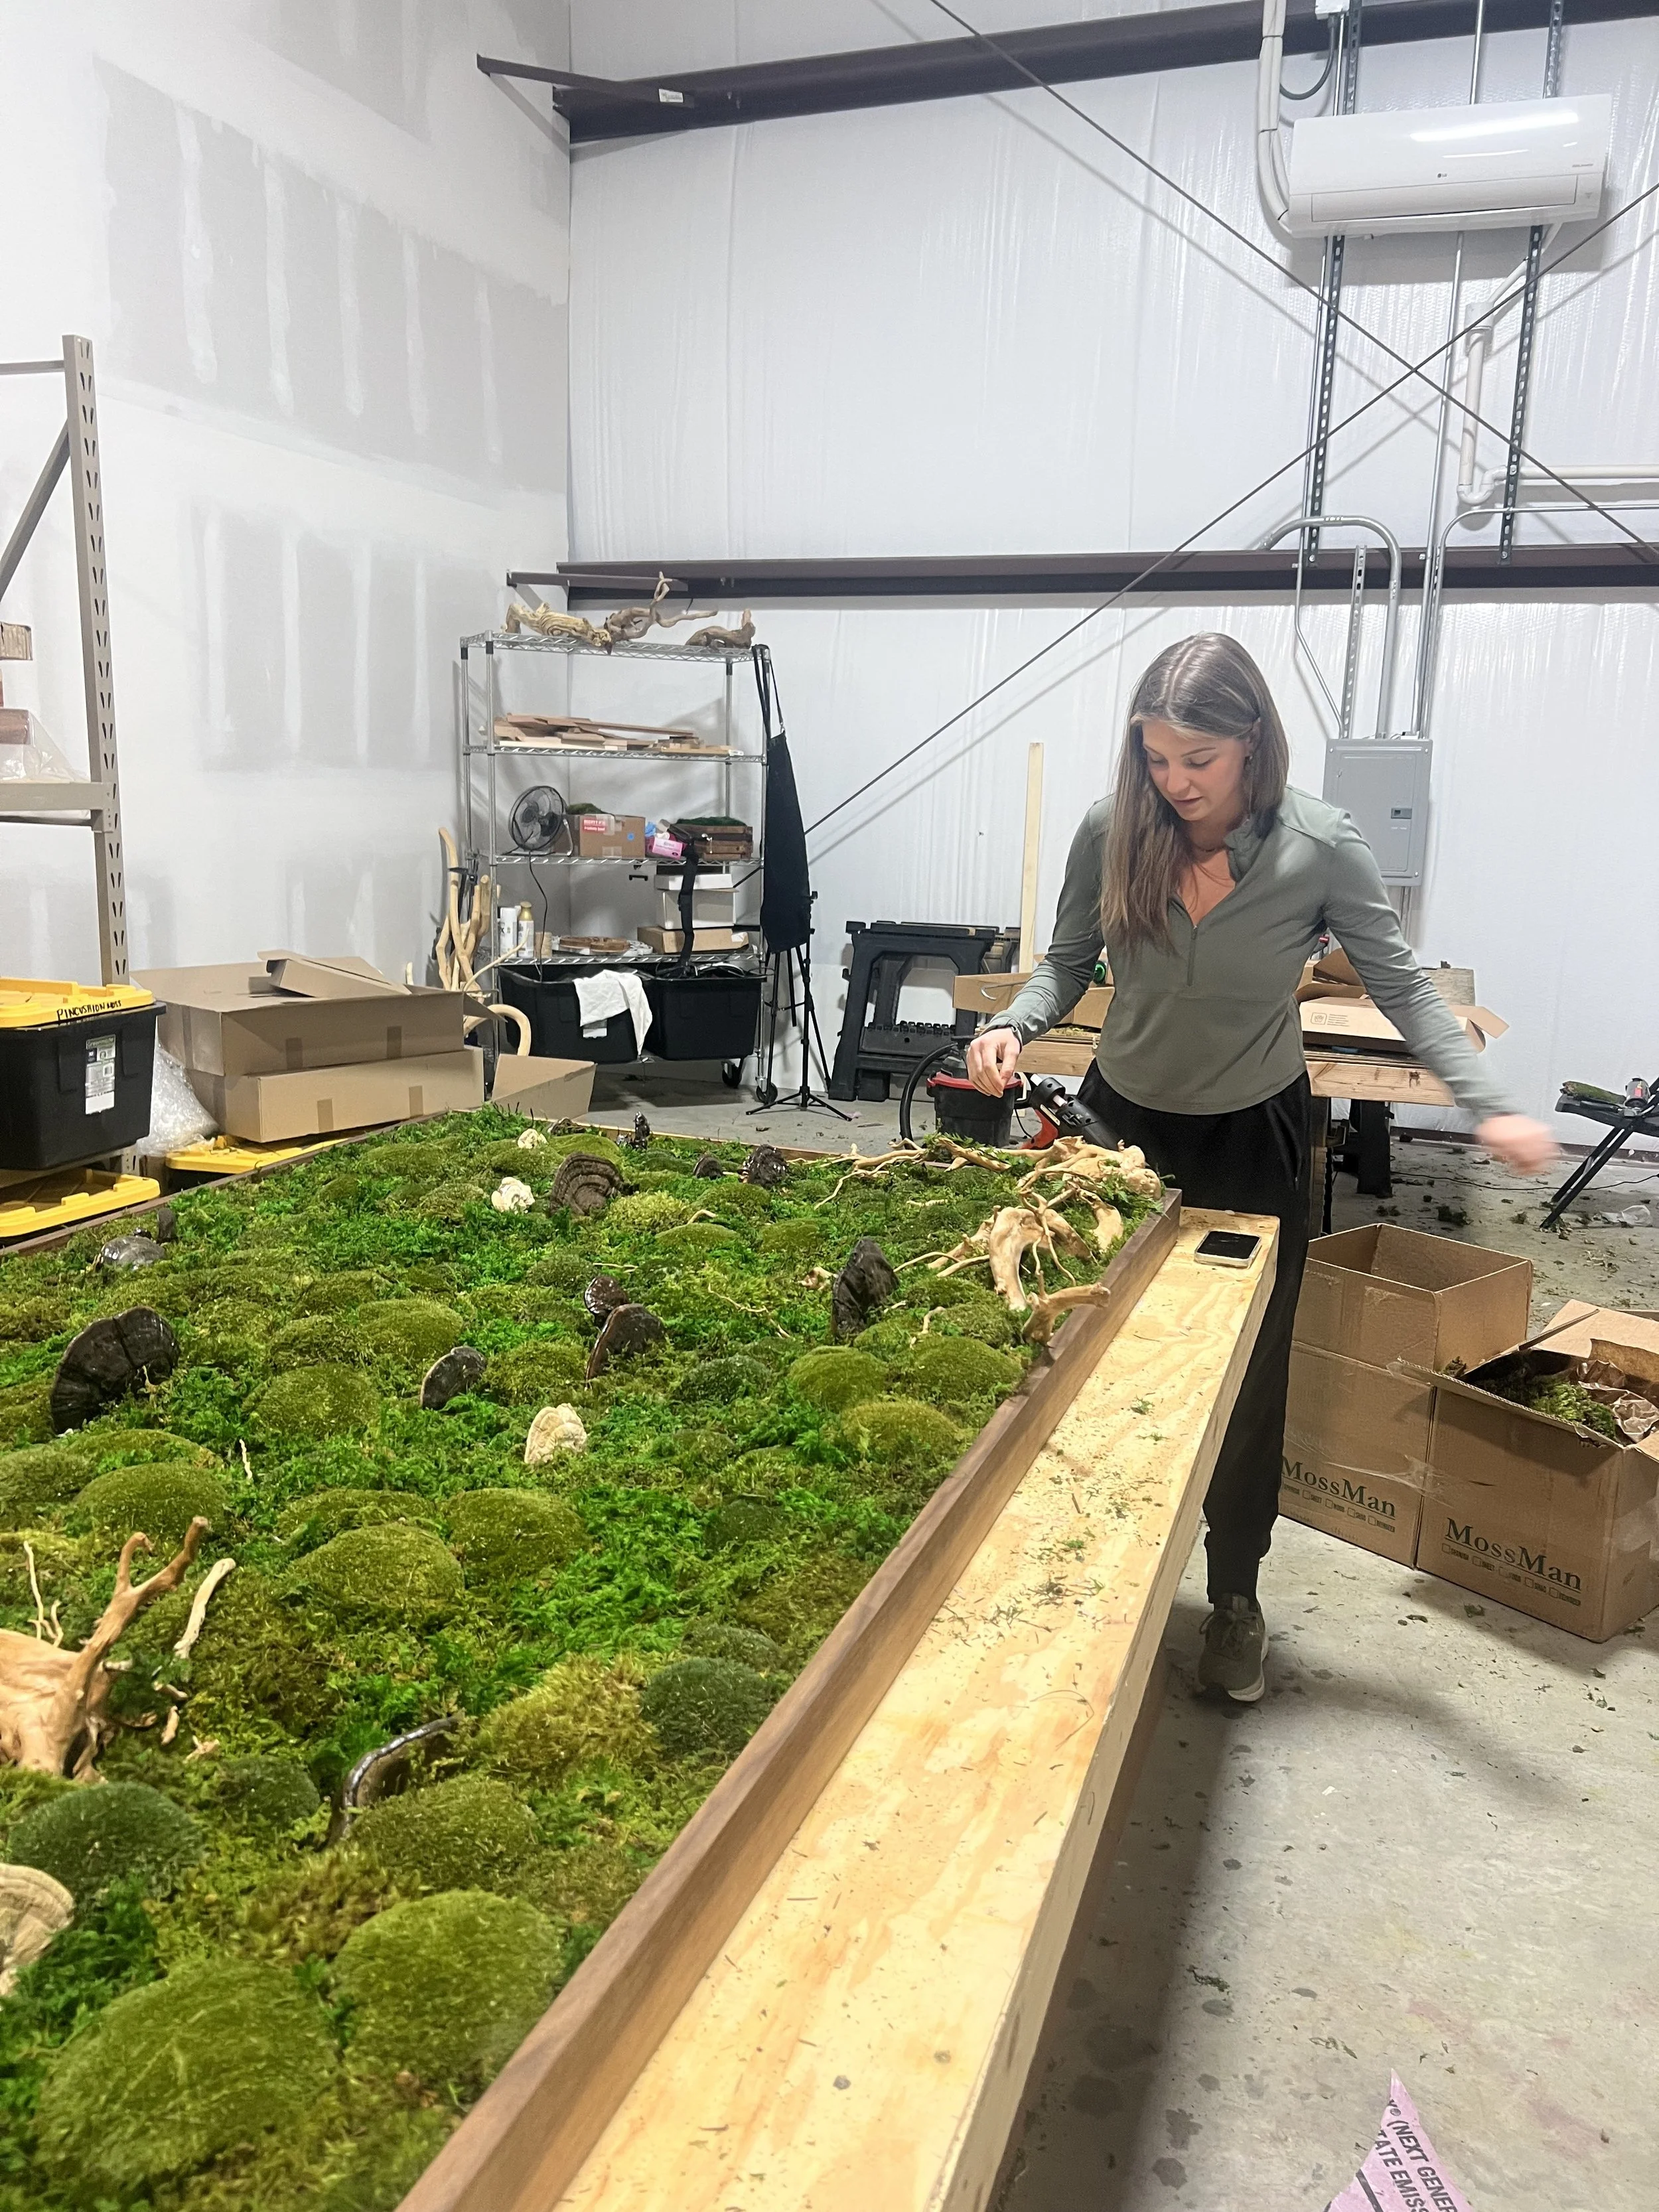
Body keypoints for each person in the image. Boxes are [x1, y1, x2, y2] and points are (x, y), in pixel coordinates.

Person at [966, 634, 1555, 1704]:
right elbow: (1062, 963)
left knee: (1243, 1377)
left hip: (1254, 1135)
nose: (1174, 783)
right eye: (1155, 757)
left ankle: (1233, 1597)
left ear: (1252, 743)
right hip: (1121, 1127)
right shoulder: (1113, 828)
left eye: (1198, 760)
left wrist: (1489, 1104)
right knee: (1079, 1350)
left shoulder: (1320, 847)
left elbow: (1407, 989)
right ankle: (1073, 1572)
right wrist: (1014, 1026)